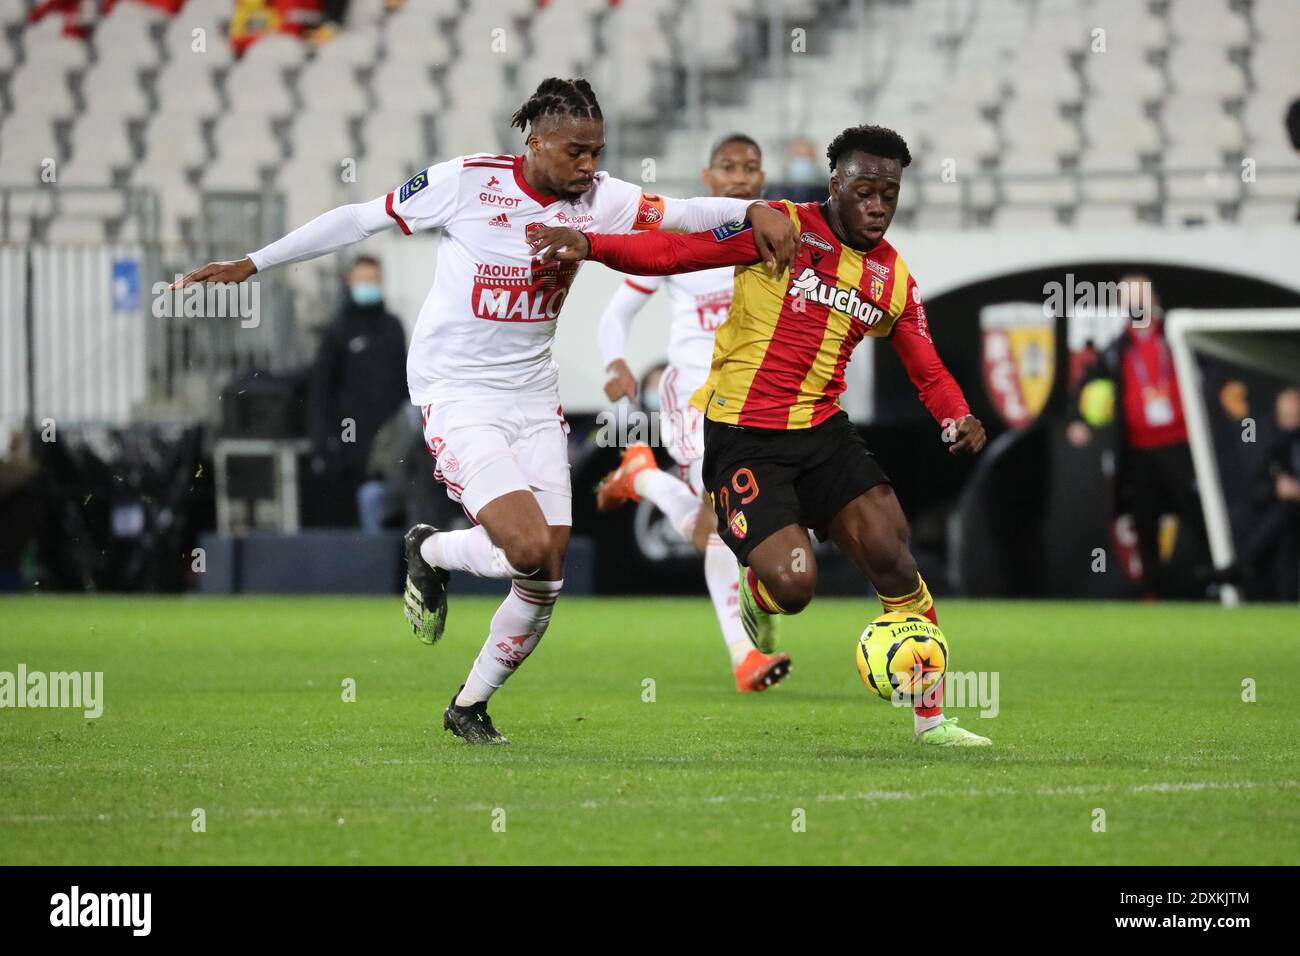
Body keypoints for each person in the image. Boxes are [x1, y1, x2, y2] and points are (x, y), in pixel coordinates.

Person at [174, 77, 799, 745]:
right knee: (528, 547)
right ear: (534, 142)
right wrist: (254, 261)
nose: (589, 166)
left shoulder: (600, 198)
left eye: (597, 152)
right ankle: (439, 554)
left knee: (544, 571)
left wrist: (756, 209)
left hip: (532, 392)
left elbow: (682, 215)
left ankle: (463, 683)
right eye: (576, 152)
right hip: (457, 389)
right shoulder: (468, 183)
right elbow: (361, 216)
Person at [530, 124, 992, 747]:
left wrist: (955, 415)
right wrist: (587, 243)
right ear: (835, 184)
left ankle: (931, 721)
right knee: (796, 585)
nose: (878, 205)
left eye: (890, 192)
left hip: (823, 432)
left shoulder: (892, 281)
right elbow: (673, 254)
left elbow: (926, 365)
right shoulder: (779, 226)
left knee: (893, 554)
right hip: (744, 435)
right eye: (864, 190)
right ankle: (758, 586)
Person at [594, 132, 792, 693]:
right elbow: (616, 314)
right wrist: (614, 362)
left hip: (762, 398)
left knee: (753, 524)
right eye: (727, 167)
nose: (738, 176)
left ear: (762, 179)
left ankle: (644, 478)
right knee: (719, 528)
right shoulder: (680, 240)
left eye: (750, 167)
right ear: (708, 179)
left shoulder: (782, 237)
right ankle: (743, 657)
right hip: (696, 399)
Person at [1067, 273, 1211, 598]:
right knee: (1143, 520)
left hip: (1182, 447)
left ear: (1155, 300)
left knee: (1200, 515)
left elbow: (1212, 379)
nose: (1134, 305)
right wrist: (1079, 420)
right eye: (1126, 299)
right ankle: (1152, 593)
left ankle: (1216, 583)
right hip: (1139, 452)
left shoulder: (1178, 338)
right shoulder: (1117, 349)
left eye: (1139, 297)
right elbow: (1087, 384)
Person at [309, 255, 408, 523]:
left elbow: (405, 382)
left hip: (392, 444)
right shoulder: (338, 331)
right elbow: (321, 391)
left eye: (374, 280)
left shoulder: (393, 327)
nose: (369, 285)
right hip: (350, 445)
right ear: (350, 282)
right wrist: (324, 443)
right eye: (363, 280)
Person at [1225, 387, 1300, 600]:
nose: (1294, 424)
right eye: (1289, 417)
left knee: (1286, 514)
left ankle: (1244, 564)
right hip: (1284, 517)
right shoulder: (1271, 446)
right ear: (1279, 419)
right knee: (1286, 535)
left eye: (1298, 416)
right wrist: (1278, 489)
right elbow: (1255, 489)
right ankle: (1288, 605)